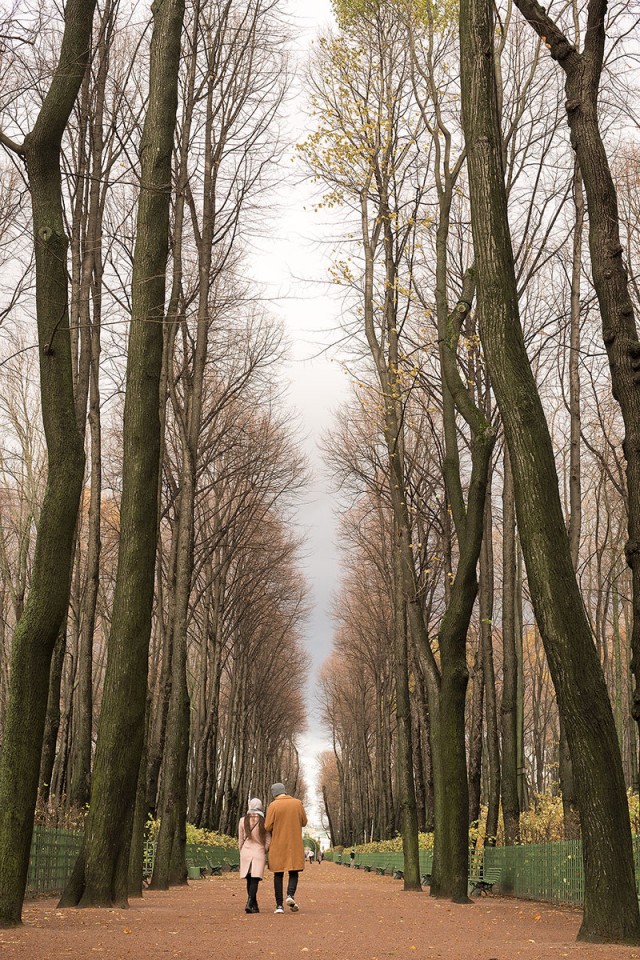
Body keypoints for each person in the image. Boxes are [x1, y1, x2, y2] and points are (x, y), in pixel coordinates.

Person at [264, 782, 307, 914]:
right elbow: (304, 822)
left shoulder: (273, 805)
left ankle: (279, 906)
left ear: (274, 793)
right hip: (294, 844)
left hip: (278, 843)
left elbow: (267, 826)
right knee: (293, 870)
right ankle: (290, 895)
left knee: (278, 873)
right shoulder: (297, 803)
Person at [238, 797, 270, 914]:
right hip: (259, 852)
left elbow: (240, 839)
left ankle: (253, 905)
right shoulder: (264, 821)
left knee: (249, 879)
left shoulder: (242, 820)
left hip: (246, 852)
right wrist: (264, 850)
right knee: (255, 879)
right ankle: (250, 902)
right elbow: (268, 840)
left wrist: (241, 850)